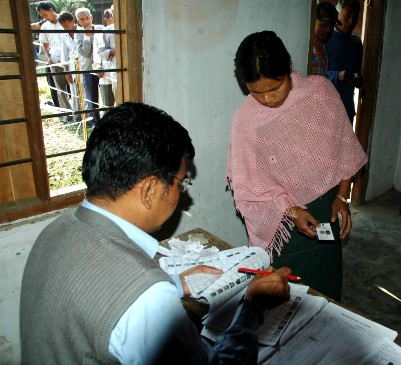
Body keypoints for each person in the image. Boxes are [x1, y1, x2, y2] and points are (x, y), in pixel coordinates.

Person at [20, 102, 292, 364]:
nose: (181, 193)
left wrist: (175, 283)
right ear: (150, 190)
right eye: (180, 183)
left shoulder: (57, 231)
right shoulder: (147, 298)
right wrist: (253, 306)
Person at [227, 31, 368, 301]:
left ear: (288, 68)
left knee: (325, 296)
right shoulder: (244, 121)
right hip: (282, 224)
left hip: (326, 211)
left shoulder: (319, 93)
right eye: (256, 92)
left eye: (274, 88)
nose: (268, 99)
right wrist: (291, 210)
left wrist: (340, 195)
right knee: (285, 298)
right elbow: (248, 188)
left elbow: (343, 147)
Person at [325, 0, 364, 122]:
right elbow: (312, 74)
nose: (351, 21)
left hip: (347, 111)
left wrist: (358, 80)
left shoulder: (356, 44)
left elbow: (358, 74)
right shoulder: (325, 39)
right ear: (338, 14)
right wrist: (336, 76)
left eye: (355, 16)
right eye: (347, 16)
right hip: (326, 110)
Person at [36, 1, 72, 121]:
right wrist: (48, 58)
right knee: (60, 89)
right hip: (55, 59)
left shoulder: (64, 22)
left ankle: (79, 113)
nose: (44, 18)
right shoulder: (45, 26)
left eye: (45, 14)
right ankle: (66, 114)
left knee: (73, 85)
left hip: (69, 59)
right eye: (42, 16)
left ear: (51, 10)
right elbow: (45, 45)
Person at [75, 7, 104, 126]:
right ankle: (96, 122)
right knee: (92, 97)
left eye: (87, 18)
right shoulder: (78, 35)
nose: (85, 21)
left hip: (103, 68)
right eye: (82, 19)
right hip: (88, 69)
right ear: (78, 21)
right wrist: (87, 36)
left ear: (91, 17)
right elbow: (85, 53)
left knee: (107, 95)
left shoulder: (101, 29)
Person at [58, 11, 82, 124]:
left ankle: (89, 115)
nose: (65, 28)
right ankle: (77, 116)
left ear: (73, 21)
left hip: (84, 65)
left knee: (86, 91)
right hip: (72, 66)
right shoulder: (64, 36)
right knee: (74, 92)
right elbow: (64, 55)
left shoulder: (82, 32)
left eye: (66, 25)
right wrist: (66, 71)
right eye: (63, 26)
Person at [93, 7, 116, 108]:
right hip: (108, 72)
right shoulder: (105, 32)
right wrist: (98, 67)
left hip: (122, 74)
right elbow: (98, 52)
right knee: (109, 105)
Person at [310, 1, 339, 76]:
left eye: (332, 25)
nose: (329, 29)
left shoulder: (321, 45)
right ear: (313, 21)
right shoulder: (307, 49)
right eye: (324, 24)